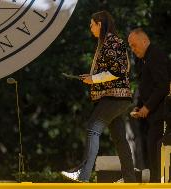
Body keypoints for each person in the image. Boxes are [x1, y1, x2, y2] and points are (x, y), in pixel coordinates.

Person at [61, 10, 136, 183]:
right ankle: (130, 179)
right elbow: (118, 69)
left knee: (92, 128)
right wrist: (92, 78)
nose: (90, 28)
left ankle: (83, 175)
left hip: (114, 98)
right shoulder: (108, 43)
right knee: (119, 139)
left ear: (100, 24)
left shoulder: (112, 42)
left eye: (91, 24)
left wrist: (94, 78)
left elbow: (118, 71)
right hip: (118, 98)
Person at [128, 28, 170, 182]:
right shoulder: (143, 59)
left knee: (156, 149)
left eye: (134, 45)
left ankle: (159, 183)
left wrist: (147, 107)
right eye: (131, 46)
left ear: (144, 41)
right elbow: (144, 86)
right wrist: (138, 106)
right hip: (151, 115)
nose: (133, 49)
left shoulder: (156, 55)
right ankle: (154, 181)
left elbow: (163, 86)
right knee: (149, 150)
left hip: (163, 114)